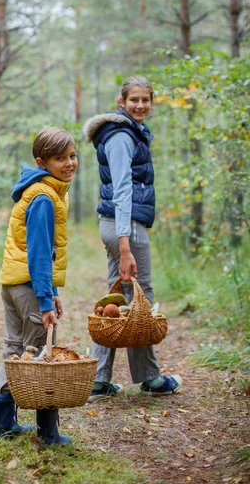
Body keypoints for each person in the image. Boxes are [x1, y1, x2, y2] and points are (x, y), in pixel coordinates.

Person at [82, 76, 182, 399]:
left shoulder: (127, 132)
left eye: (145, 100)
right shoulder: (123, 136)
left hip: (115, 224)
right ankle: (151, 379)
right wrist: (125, 246)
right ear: (121, 101)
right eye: (134, 99)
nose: (140, 105)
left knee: (117, 300)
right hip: (126, 226)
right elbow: (123, 192)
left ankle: (98, 380)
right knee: (142, 298)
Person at [0, 126, 78, 444]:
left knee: (15, 350)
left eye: (72, 155)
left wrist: (52, 292)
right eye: (59, 158)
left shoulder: (38, 190)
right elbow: (39, 255)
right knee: (43, 356)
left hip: (13, 282)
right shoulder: (43, 198)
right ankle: (48, 432)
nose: (69, 163)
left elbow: (39, 251)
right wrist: (44, 301)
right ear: (42, 162)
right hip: (27, 286)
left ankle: (2, 425)